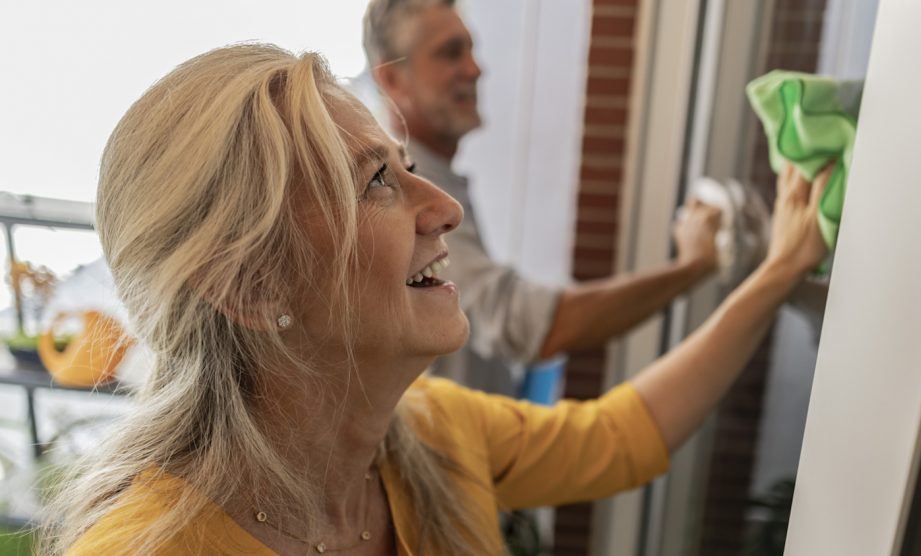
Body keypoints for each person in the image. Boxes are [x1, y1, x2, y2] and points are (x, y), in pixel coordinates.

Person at [44, 44, 830, 555]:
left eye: (406, 164)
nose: (443, 207)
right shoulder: (140, 548)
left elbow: (622, 435)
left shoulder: (433, 435)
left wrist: (774, 274)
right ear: (249, 285)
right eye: (377, 182)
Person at [362, 0, 723, 394]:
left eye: (471, 48)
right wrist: (691, 268)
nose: (475, 68)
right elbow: (520, 324)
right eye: (451, 53)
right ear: (393, 80)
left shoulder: (436, 179)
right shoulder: (409, 197)